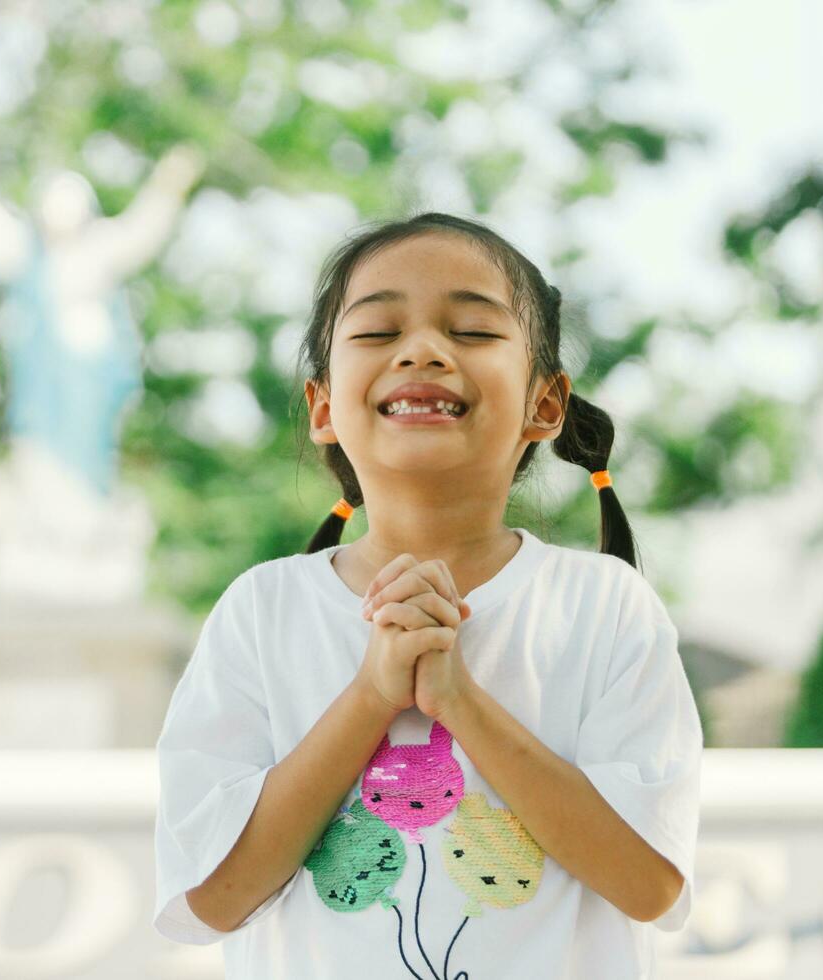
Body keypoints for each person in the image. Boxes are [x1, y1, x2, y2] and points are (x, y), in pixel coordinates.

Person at [152, 213, 703, 979]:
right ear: (323, 408)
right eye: (377, 332)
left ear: (545, 405)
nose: (422, 350)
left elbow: (649, 883)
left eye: (473, 332)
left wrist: (459, 702)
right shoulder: (261, 611)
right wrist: (374, 693)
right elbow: (211, 897)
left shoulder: (606, 607)